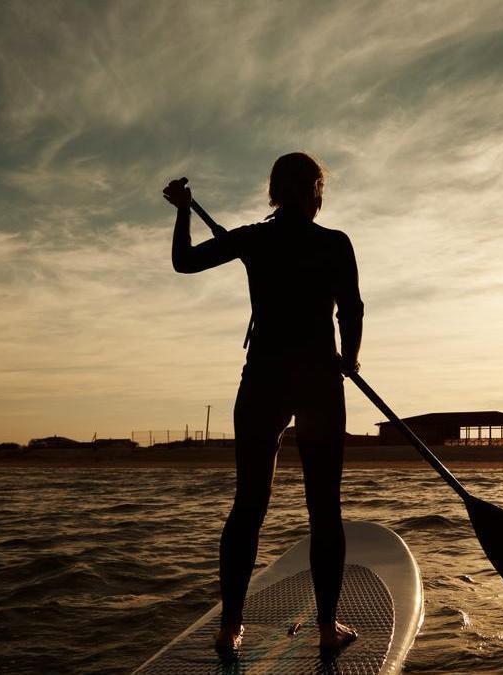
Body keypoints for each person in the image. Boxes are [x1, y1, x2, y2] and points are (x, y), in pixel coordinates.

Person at [163, 152, 363, 657]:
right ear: (316, 192)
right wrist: (350, 359)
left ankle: (230, 629)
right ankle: (326, 628)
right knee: (325, 511)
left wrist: (184, 210)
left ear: (273, 192)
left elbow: (184, 262)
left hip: (264, 382)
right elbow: (351, 309)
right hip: (319, 380)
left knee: (248, 506)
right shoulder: (334, 244)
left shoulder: (254, 238)